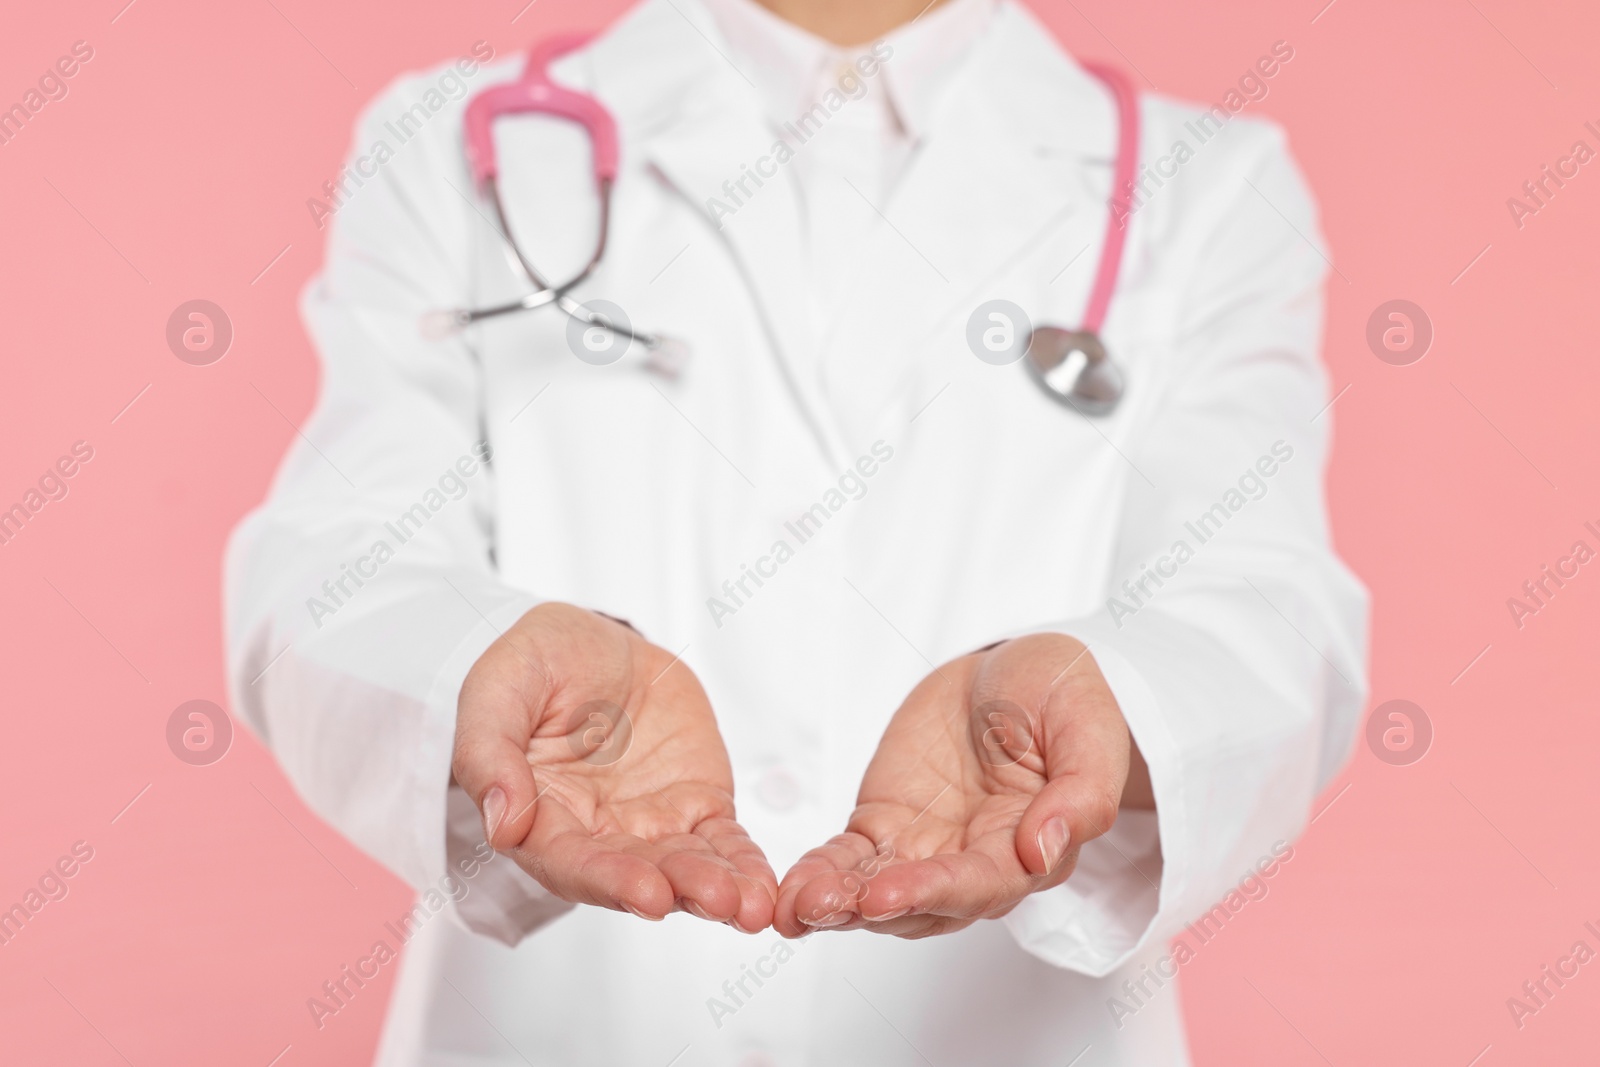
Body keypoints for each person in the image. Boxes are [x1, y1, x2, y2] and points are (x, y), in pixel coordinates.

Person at [225, 0, 1368, 1063]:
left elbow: (1261, 604)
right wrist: (478, 658)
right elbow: (335, 554)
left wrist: (1118, 700)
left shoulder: (1206, 189)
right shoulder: (457, 145)